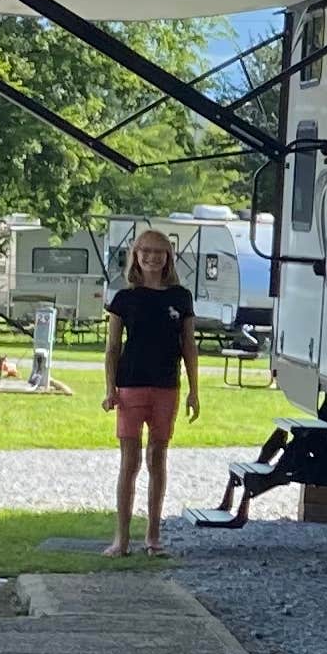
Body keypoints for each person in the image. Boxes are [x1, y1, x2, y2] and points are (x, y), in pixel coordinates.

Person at [102, 224, 203, 556]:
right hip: (130, 387)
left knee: (157, 459)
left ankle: (154, 536)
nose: (152, 257)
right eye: (145, 251)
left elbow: (188, 345)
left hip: (166, 387)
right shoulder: (123, 299)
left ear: (168, 257)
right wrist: (109, 388)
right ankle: (122, 538)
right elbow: (112, 348)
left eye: (159, 252)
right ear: (135, 255)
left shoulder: (180, 297)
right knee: (129, 463)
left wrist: (193, 390)